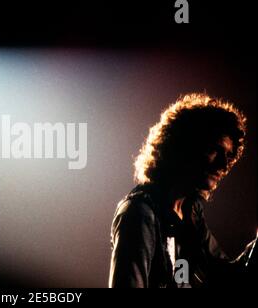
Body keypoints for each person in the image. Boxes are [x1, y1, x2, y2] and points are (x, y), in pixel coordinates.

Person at [109, 93, 256, 288]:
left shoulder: (191, 212)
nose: (224, 164)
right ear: (185, 145)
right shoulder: (140, 213)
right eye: (215, 150)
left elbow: (227, 278)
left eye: (228, 156)